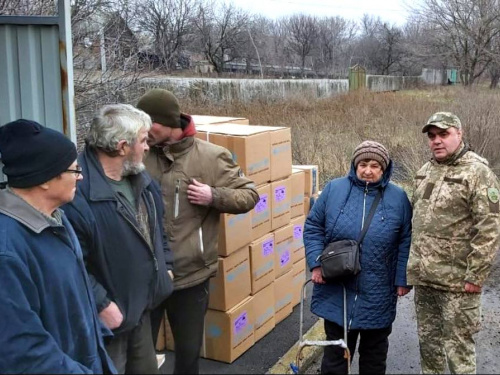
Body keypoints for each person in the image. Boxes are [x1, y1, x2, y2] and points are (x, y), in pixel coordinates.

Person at [136, 89, 259, 374]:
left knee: (188, 356)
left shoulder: (211, 156)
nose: (141, 130)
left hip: (190, 276)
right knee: (139, 358)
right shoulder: (138, 154)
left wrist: (214, 196)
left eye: (147, 123)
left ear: (168, 122)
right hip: (145, 275)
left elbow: (250, 195)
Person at [62, 104, 174, 374]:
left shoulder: (140, 179)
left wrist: (167, 268)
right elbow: (69, 263)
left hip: (141, 310)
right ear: (122, 146)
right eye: (144, 140)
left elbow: (159, 230)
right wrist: (102, 304)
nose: (148, 147)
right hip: (107, 325)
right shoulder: (77, 194)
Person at [0, 119, 116, 374]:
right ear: (44, 179)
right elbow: (23, 353)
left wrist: (98, 341)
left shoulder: (55, 219)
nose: (81, 176)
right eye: (74, 170)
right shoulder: (7, 250)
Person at [304, 140, 412, 375]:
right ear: (355, 165)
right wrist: (316, 264)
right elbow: (313, 227)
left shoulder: (398, 198)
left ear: (384, 169)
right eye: (363, 163)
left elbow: (406, 240)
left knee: (374, 356)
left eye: (375, 165)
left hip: (378, 291)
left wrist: (402, 278)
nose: (368, 170)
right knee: (335, 355)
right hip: (338, 288)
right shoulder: (334, 189)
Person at [407, 112, 500, 374]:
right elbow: (418, 221)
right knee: (430, 349)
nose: (437, 141)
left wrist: (476, 275)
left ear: (459, 134)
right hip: (426, 280)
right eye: (432, 136)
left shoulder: (478, 172)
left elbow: (489, 229)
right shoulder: (425, 171)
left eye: (444, 134)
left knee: (458, 353)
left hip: (458, 283)